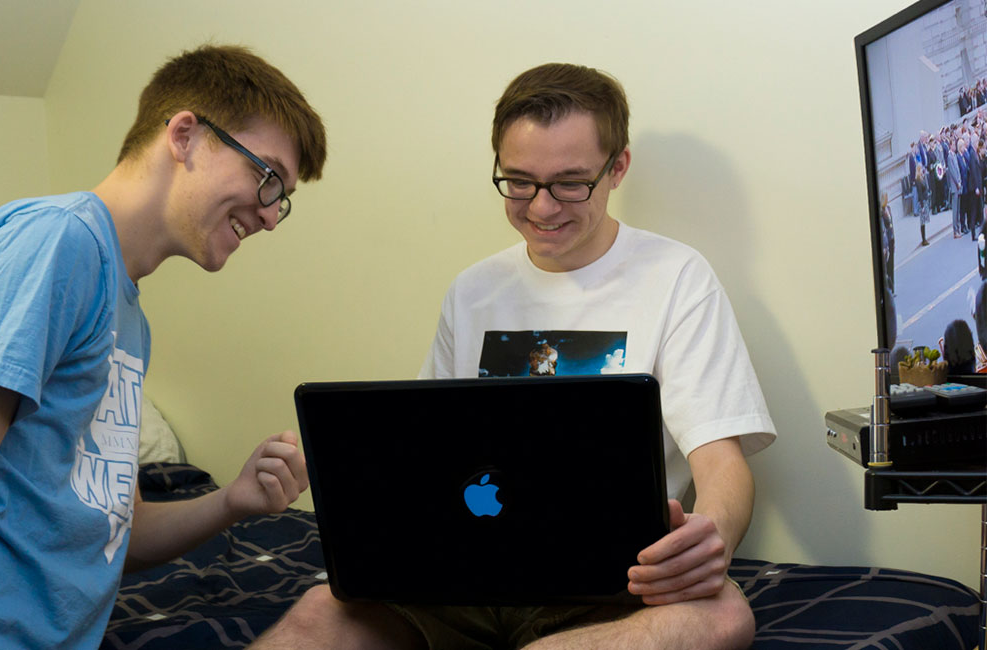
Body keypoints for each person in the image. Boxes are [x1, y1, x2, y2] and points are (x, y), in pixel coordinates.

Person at [255, 63, 775, 650]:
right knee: (317, 613)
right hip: (462, 579)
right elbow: (428, 458)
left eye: (570, 182)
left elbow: (723, 465)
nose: (542, 208)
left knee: (724, 615)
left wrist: (713, 539)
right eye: (520, 181)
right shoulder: (473, 290)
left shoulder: (678, 277)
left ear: (618, 168)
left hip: (608, 586)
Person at [0, 44, 326, 649]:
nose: (272, 216)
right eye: (268, 178)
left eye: (282, 197)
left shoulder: (129, 316)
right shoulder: (57, 241)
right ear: (184, 136)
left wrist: (233, 501)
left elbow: (115, 529)